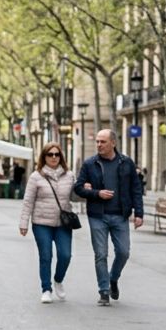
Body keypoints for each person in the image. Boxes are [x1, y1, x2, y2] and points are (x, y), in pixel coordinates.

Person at [74, 129, 145, 306]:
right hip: (98, 216)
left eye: (103, 141)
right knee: (101, 254)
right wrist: (97, 193)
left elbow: (136, 189)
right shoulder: (90, 164)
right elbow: (78, 188)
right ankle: (104, 290)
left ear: (113, 143)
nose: (99, 145)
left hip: (120, 215)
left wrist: (139, 213)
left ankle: (113, 278)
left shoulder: (126, 163)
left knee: (123, 252)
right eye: (97, 141)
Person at [19, 144, 76, 303]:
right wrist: (24, 223)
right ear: (44, 157)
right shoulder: (36, 176)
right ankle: (46, 288)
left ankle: (58, 279)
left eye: (57, 154)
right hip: (41, 222)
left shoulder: (70, 175)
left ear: (61, 157)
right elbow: (28, 201)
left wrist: (86, 188)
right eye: (49, 154)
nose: (53, 157)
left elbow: (77, 196)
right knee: (46, 256)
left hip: (63, 223)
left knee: (65, 255)